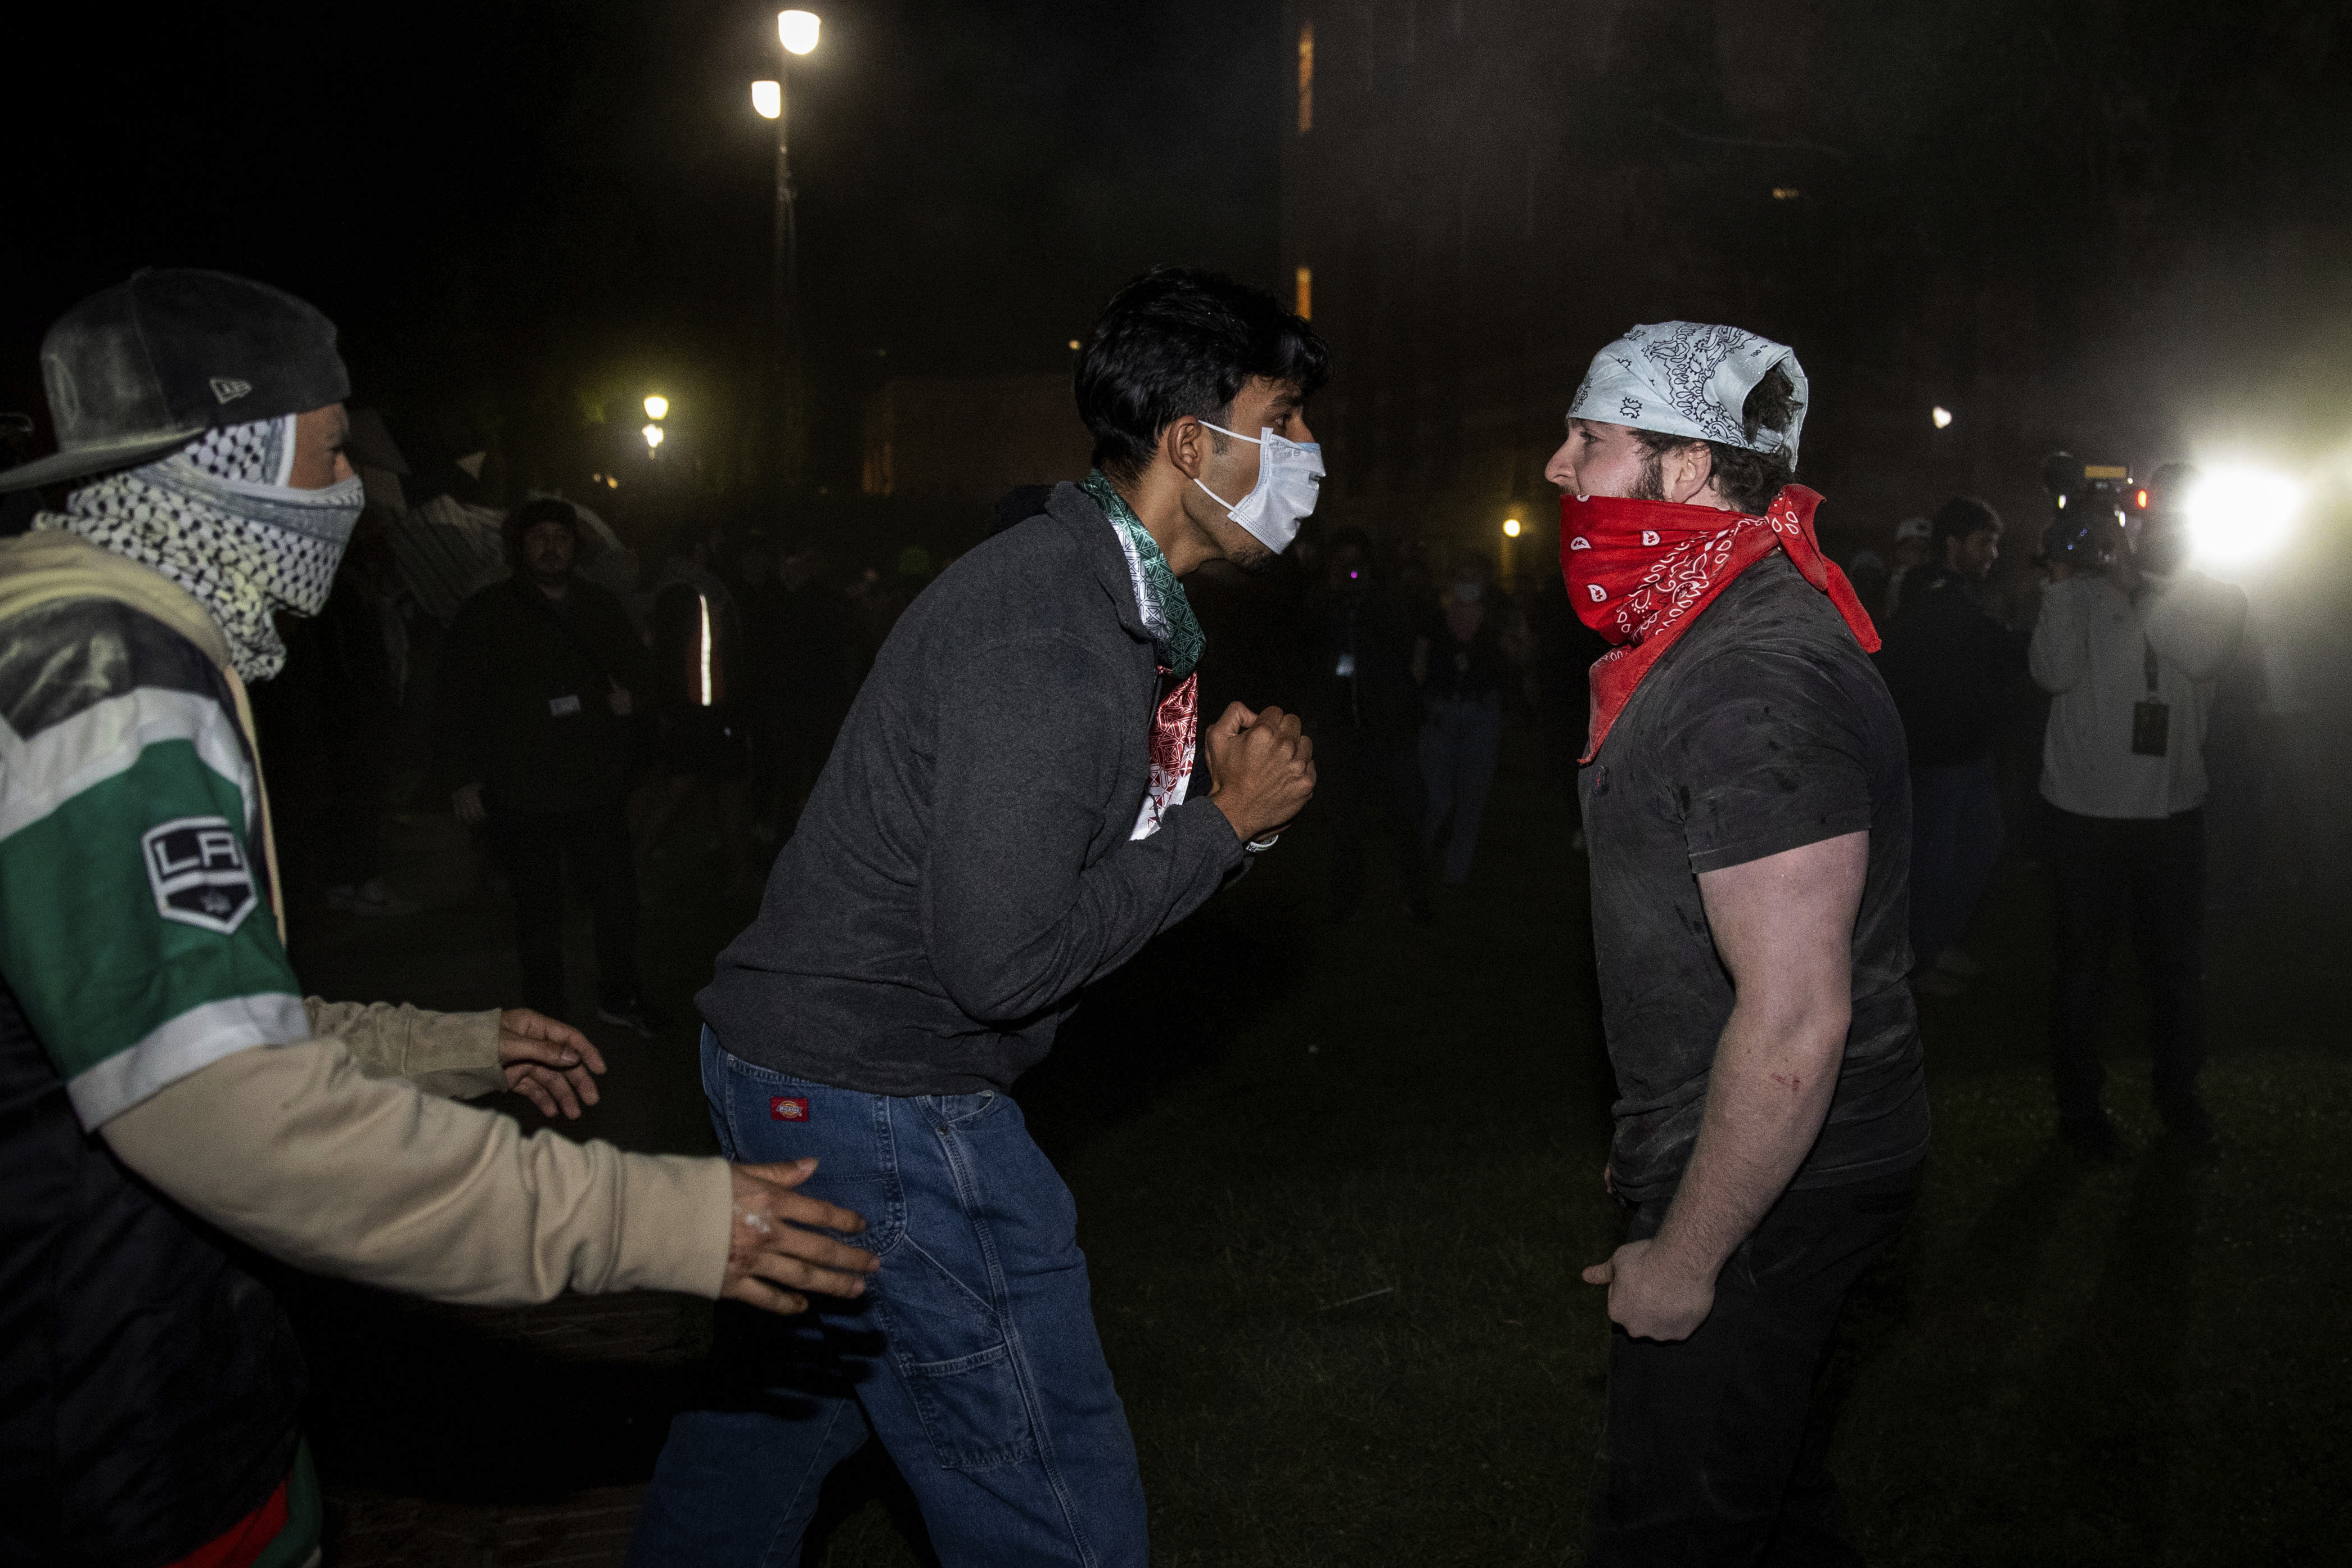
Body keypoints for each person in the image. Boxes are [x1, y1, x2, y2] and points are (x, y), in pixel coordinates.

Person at [0, 269, 877, 1568]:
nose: (355, 486)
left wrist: (438, 1047)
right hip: (93, 1397)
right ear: (225, 450)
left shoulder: (69, 629)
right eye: (331, 445)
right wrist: (666, 1222)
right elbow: (219, 1104)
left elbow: (148, 1015)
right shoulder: (110, 676)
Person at [629, 267, 1324, 1566]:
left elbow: (1043, 870)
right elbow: (1003, 962)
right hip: (883, 1097)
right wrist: (1220, 828)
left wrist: (1209, 820)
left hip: (810, 1070)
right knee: (1051, 1506)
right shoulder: (1053, 632)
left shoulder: (1096, 598)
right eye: (1281, 420)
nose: (1306, 454)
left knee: (775, 1427)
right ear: (1189, 442)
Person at [1550, 321, 1929, 1563]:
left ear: (1694, 470)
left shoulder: (1754, 676)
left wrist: (1689, 1251)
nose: (1560, 469)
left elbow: (1795, 1016)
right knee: (1770, 1505)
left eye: (1593, 442)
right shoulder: (1707, 630)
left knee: (1676, 1530)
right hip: (1757, 1150)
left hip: (1783, 1182)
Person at [2030, 470, 2246, 1156]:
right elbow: (2052, 673)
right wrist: (2065, 582)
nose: (2164, 531)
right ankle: (2079, 1109)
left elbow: (2199, 651)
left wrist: (2137, 587)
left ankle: (2179, 1099)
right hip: (2081, 814)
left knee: (2177, 973)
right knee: (2081, 971)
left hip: (2170, 813)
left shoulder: (2218, 596)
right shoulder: (2085, 592)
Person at [437, 497, 664, 1034]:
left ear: (575, 548)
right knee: (537, 906)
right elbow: (455, 697)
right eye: (538, 537)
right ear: (520, 548)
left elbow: (642, 673)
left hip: (592, 781)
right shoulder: (488, 612)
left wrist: (635, 699)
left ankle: (620, 995)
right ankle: (546, 1011)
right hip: (523, 784)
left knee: (615, 897)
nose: (550, 547)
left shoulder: (600, 607)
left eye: (560, 538)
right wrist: (463, 776)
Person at [1876, 495, 2026, 994]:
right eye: (1984, 543)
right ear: (1953, 544)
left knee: (1974, 849)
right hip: (1938, 756)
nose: (1993, 554)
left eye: (1996, 544)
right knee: (1939, 864)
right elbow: (1987, 649)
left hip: (1959, 753)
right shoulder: (1939, 597)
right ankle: (1918, 965)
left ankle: (1933, 945)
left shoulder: (1943, 593)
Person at [1309, 525, 1431, 921]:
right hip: (1341, 733)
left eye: (1355, 564)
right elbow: (1307, 653)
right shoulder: (1322, 606)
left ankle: (1415, 897)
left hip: (1389, 731)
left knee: (1407, 819)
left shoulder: (1387, 604)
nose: (1349, 572)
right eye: (1340, 564)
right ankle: (1346, 900)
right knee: (1344, 824)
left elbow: (1403, 646)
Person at [1412, 550, 1524, 885]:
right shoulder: (1434, 614)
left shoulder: (1497, 617)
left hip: (1481, 714)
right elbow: (1419, 664)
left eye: (1475, 577)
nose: (1468, 584)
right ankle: (1416, 858)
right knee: (1437, 797)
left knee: (1473, 798)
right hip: (1440, 713)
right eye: (1463, 576)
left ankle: (1455, 873)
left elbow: (1518, 656)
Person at [1882, 513, 1932, 620]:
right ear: (1900, 551)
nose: (1921, 554)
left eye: (1926, 548)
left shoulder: (1936, 583)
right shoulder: (1883, 585)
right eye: (1915, 547)